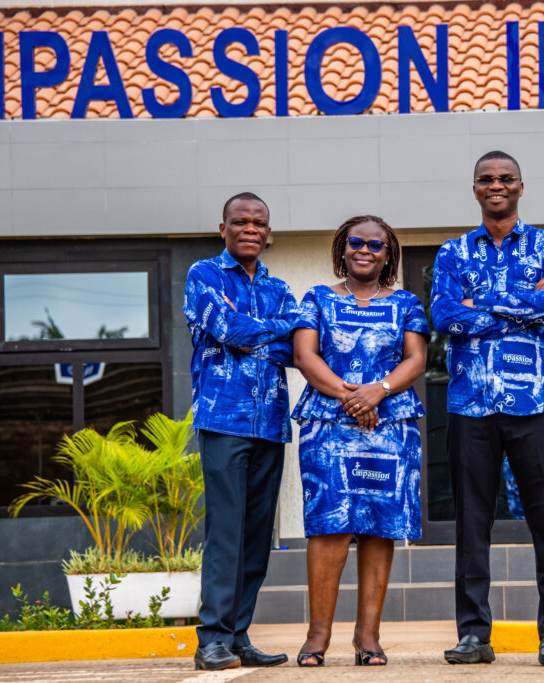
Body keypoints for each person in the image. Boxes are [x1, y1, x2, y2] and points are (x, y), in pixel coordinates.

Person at [431, 150, 544, 667]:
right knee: (472, 524)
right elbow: (444, 316)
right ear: (474, 189)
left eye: (505, 179)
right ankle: (474, 635)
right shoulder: (451, 253)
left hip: (532, 404)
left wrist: (480, 306)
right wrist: (518, 305)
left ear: (520, 185)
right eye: (486, 180)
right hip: (470, 406)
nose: (496, 186)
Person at [291, 215, 428, 667]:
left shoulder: (407, 303)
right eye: (356, 242)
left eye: (376, 244)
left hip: (389, 426)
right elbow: (305, 354)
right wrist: (352, 396)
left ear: (388, 254)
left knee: (378, 528)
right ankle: (317, 638)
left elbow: (416, 359)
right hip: (328, 425)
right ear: (342, 249)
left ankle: (368, 638)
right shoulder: (317, 298)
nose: (365, 250)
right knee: (330, 526)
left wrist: (379, 391)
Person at [183, 192, 298, 671]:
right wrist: (274, 332)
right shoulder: (203, 275)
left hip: (270, 424)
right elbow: (228, 328)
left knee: (255, 537)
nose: (250, 229)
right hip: (223, 420)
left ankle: (238, 635)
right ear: (223, 228)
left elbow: (298, 344)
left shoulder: (279, 286)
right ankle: (210, 639)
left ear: (268, 232)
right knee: (226, 534)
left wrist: (266, 333)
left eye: (259, 223)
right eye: (241, 222)